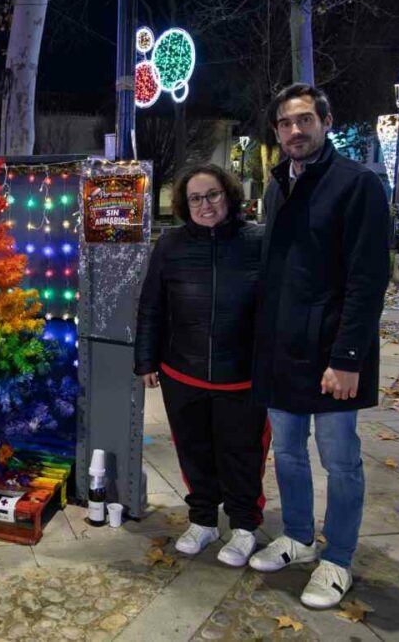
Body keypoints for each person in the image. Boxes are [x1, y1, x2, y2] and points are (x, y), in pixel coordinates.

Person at [248, 83, 390, 608]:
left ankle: (338, 560)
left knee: (340, 460)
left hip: (332, 355)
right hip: (282, 350)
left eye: (305, 119)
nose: (294, 131)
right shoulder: (277, 184)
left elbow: (367, 278)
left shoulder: (357, 184)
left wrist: (348, 357)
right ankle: (300, 537)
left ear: (325, 121)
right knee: (286, 451)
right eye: (285, 123)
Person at [134, 164, 268, 568]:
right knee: (194, 450)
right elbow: (152, 306)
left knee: (242, 453)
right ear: (183, 204)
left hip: (243, 375)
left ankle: (244, 526)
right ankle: (203, 519)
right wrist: (146, 358)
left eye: (212, 195)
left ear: (228, 195)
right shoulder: (170, 245)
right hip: (183, 371)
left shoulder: (258, 241)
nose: (205, 204)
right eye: (195, 198)